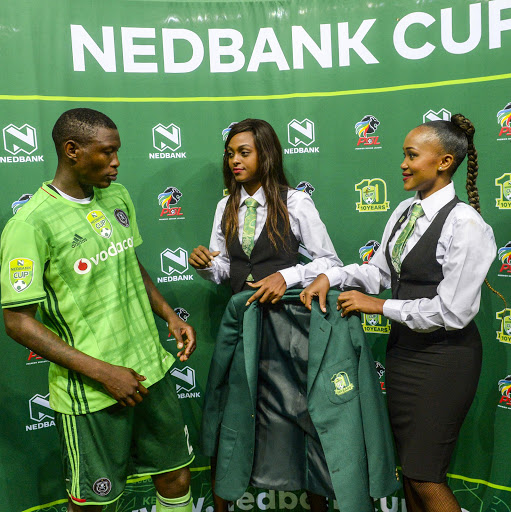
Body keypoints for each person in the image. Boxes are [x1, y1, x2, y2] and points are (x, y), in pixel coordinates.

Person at [1, 108, 196, 512]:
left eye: (117, 152)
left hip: (151, 372)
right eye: (106, 153)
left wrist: (169, 315)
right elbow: (18, 324)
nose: (117, 163)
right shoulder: (30, 225)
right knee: (93, 503)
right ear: (72, 151)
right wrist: (105, 373)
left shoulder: (116, 195)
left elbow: (129, 261)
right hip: (92, 392)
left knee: (176, 476)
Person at [300, 114, 496, 512]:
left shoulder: (466, 224)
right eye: (403, 155)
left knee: (426, 476)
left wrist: (380, 306)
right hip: (403, 357)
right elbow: (378, 273)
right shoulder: (405, 212)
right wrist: (330, 276)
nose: (402, 164)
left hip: (444, 361)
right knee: (410, 472)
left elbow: (453, 312)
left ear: (444, 162)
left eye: (411, 155)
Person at [189, 118, 342, 512]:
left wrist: (287, 275)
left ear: (266, 155)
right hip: (240, 326)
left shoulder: (296, 202)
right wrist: (205, 264)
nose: (234, 160)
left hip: (286, 329)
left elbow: (329, 262)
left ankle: (317, 503)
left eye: (244, 152)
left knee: (297, 416)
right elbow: (226, 269)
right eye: (230, 153)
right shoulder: (226, 205)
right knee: (232, 412)